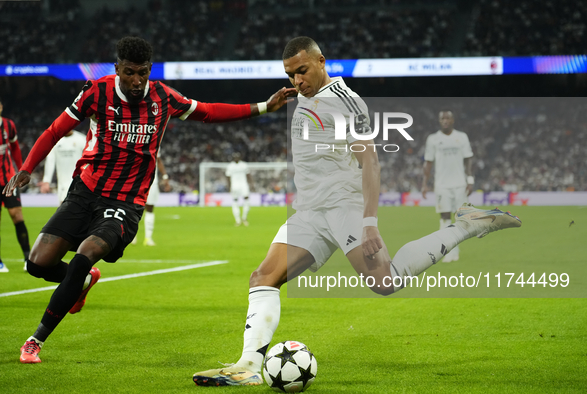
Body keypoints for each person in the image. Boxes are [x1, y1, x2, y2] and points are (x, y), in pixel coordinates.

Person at [193, 36, 522, 387]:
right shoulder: (300, 98)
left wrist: (369, 223)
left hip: (344, 207)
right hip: (308, 211)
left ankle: (469, 225)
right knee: (262, 278)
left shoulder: (347, 103)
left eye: (302, 71)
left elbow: (371, 162)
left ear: (322, 61)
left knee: (385, 282)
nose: (297, 81)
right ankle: (246, 367)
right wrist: (268, 106)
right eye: (290, 75)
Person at [4, 36, 295, 364]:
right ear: (117, 69)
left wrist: (262, 107)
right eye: (129, 72)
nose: (136, 80)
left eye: (142, 72)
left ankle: (35, 340)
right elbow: (55, 130)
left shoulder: (162, 98)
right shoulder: (95, 92)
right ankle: (82, 281)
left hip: (126, 201)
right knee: (36, 263)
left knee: (86, 254)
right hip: (84, 190)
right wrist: (27, 167)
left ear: (149, 70)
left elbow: (209, 112)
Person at [421, 111, 474, 262]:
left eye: (448, 118)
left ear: (453, 120)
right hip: (442, 185)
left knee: (459, 219)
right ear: (439, 121)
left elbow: (468, 159)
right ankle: (446, 250)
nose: (445, 121)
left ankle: (454, 250)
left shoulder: (461, 137)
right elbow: (428, 162)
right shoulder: (433, 139)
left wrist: (470, 179)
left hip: (459, 184)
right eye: (442, 118)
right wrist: (425, 184)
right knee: (444, 217)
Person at [0, 94, 31, 273]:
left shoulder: (9, 125)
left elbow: (15, 148)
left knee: (18, 217)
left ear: (1, 108)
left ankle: (28, 258)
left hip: (8, 180)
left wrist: (20, 170)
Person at [40, 130, 87, 204]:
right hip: (62, 183)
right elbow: (50, 160)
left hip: (79, 181)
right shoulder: (55, 140)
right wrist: (46, 180)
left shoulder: (82, 139)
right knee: (64, 207)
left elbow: (88, 160)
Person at [132, 154, 169, 246]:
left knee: (146, 209)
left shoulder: (153, 141)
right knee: (136, 208)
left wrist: (165, 176)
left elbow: (158, 160)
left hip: (146, 181)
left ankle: (146, 238)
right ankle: (138, 237)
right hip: (139, 180)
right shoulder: (154, 141)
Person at [226, 152, 253, 226]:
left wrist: (251, 184)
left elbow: (248, 175)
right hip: (234, 186)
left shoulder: (244, 165)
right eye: (235, 157)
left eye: (237, 157)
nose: (236, 158)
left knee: (246, 199)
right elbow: (228, 177)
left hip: (244, 185)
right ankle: (237, 220)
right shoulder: (230, 166)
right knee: (235, 201)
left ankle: (244, 217)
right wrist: (229, 187)